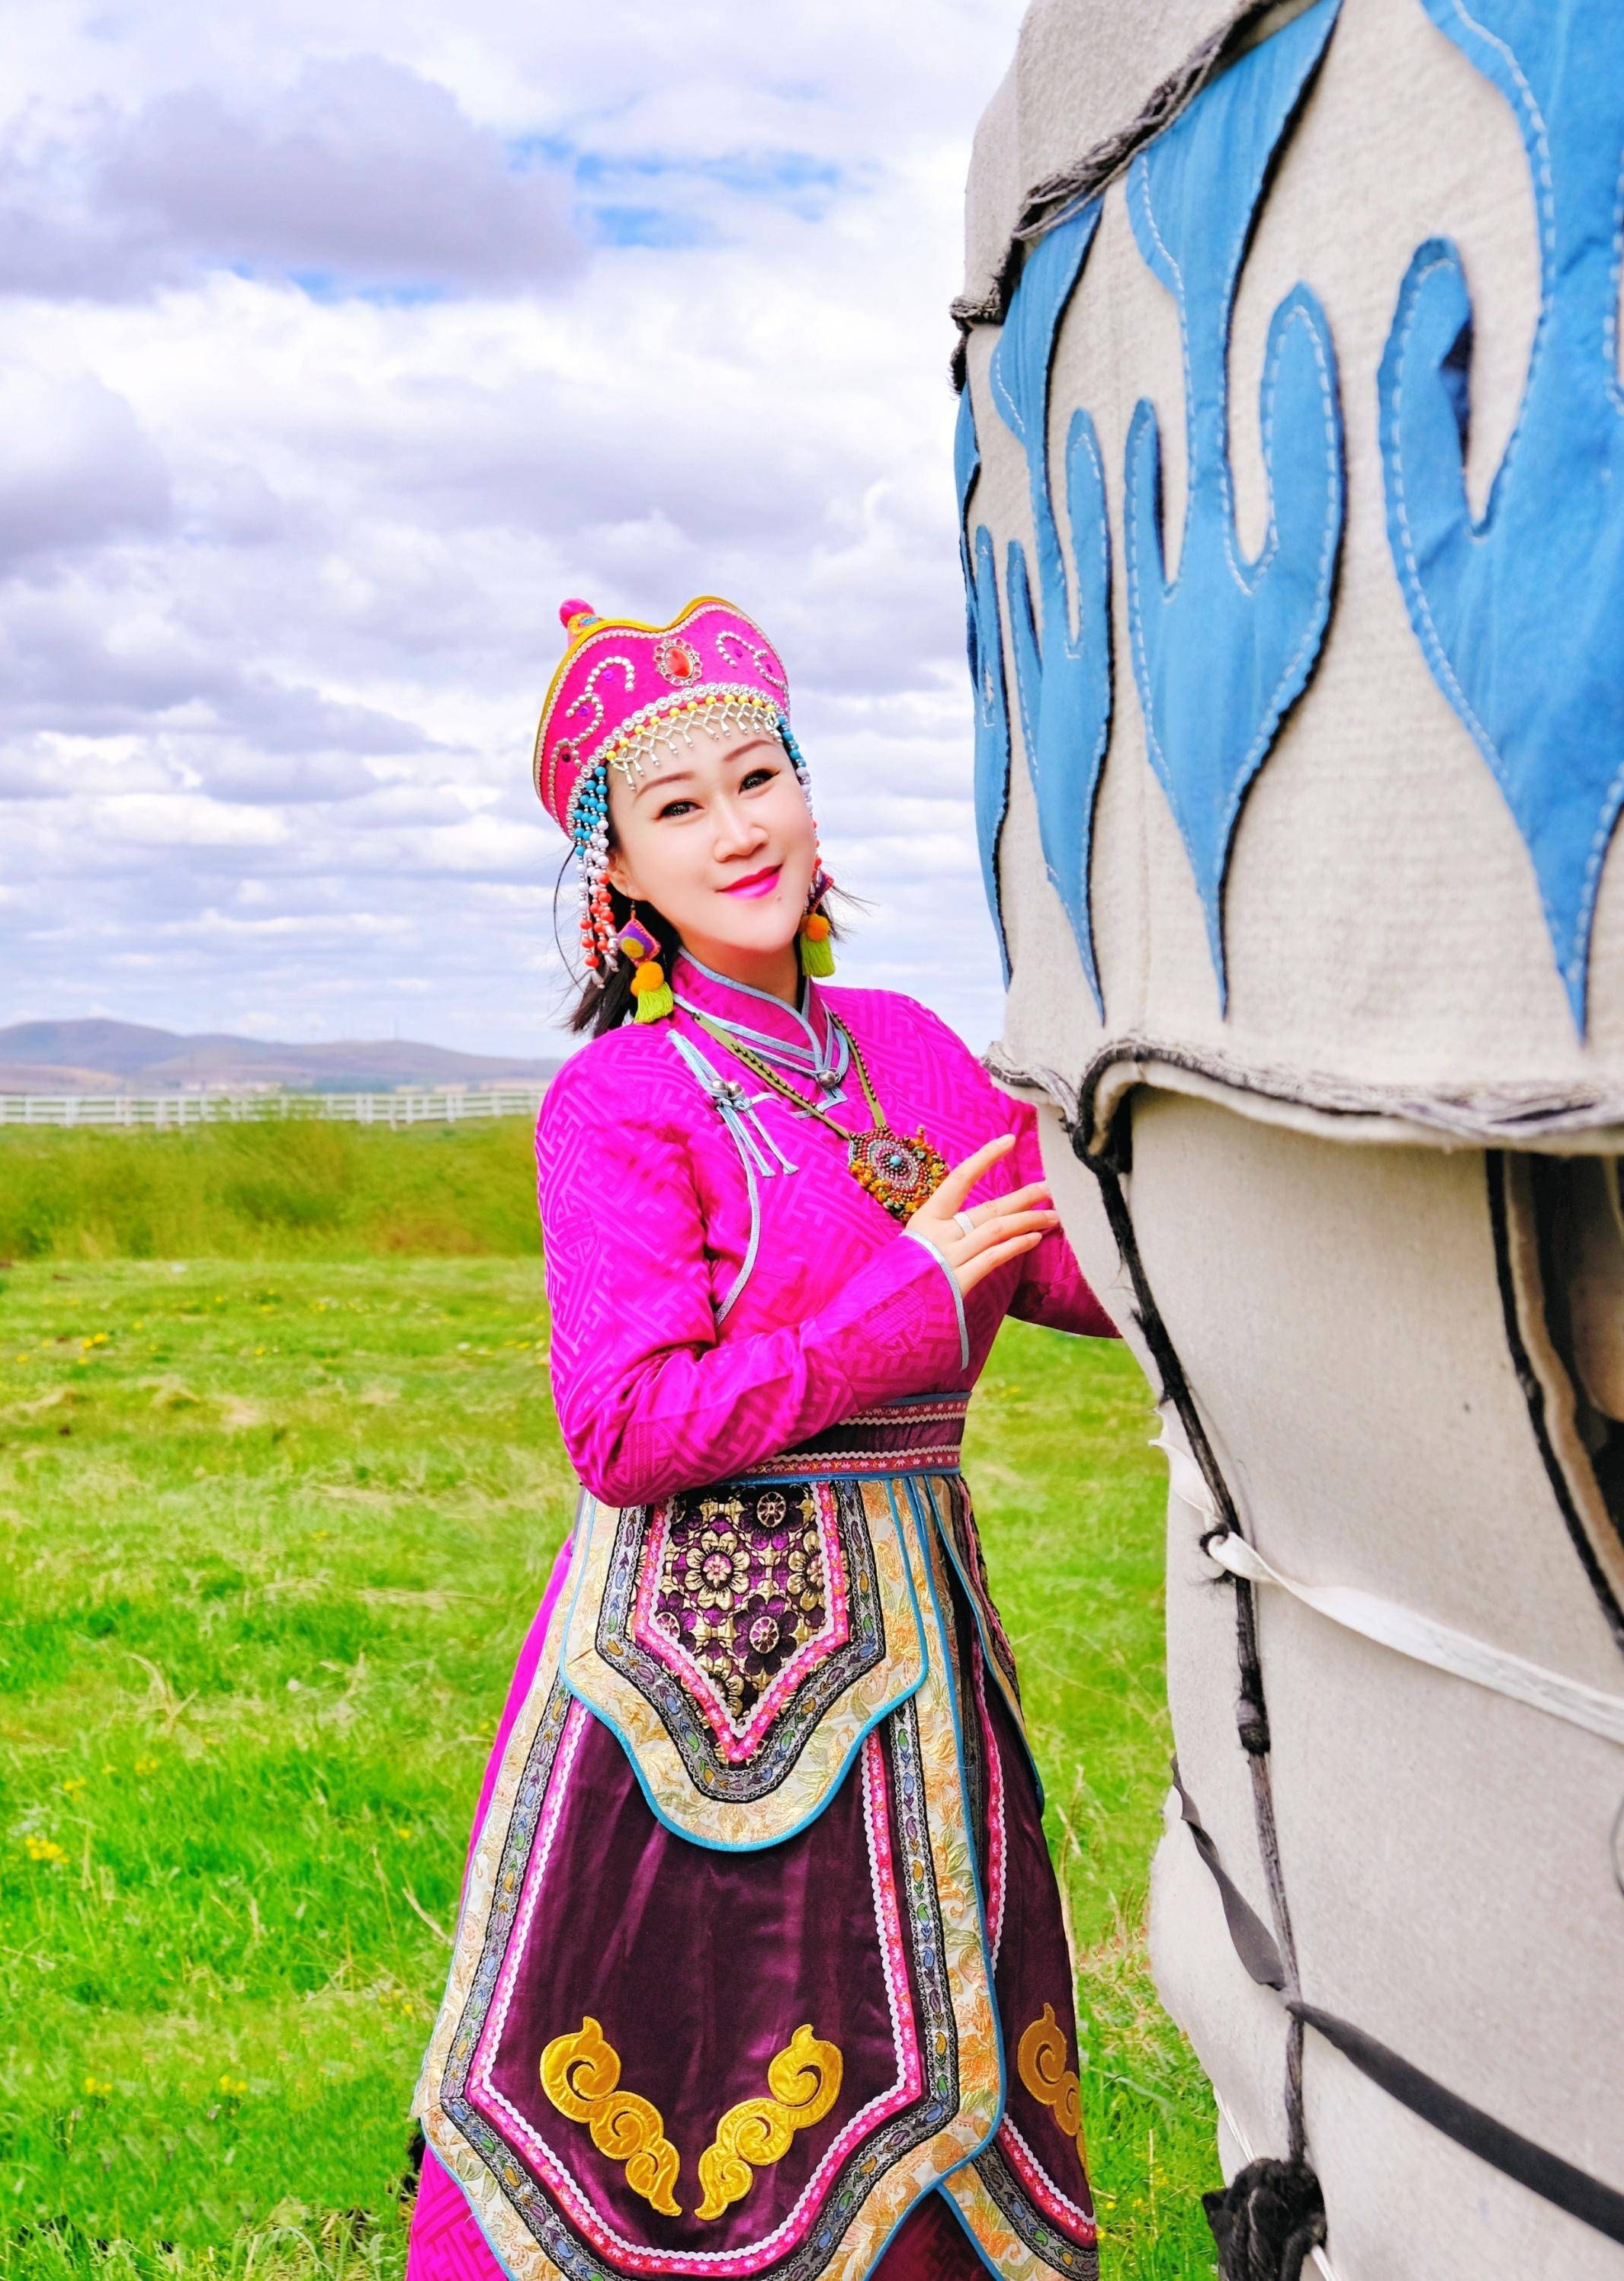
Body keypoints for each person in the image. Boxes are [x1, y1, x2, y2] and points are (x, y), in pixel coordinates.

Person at [409, 596, 1116, 2281]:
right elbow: (623, 1424)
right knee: (701, 2117)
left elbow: (1077, 1274)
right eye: (676, 807)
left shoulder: (918, 1055)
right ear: (618, 876)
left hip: (923, 1654)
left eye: (757, 777)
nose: (736, 828)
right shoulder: (620, 1102)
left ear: (806, 793)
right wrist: (902, 1296)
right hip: (685, 1710)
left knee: (935, 2078)